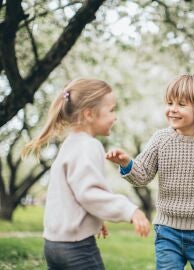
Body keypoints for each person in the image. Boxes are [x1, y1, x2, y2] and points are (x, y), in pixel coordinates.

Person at [106, 74, 194, 270]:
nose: (172, 109)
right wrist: (126, 163)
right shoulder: (161, 139)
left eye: (181, 104)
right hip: (167, 231)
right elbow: (142, 175)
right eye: (169, 102)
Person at [22, 78, 150, 270]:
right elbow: (89, 194)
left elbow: (72, 195)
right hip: (77, 249)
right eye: (111, 110)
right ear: (89, 114)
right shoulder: (89, 145)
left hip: (54, 245)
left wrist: (92, 220)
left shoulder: (70, 144)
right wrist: (129, 210)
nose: (115, 117)